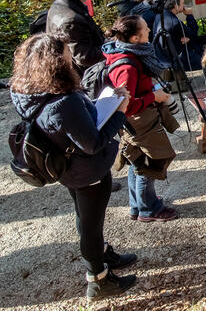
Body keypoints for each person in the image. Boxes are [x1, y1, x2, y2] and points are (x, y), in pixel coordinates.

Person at [10, 33, 137, 299]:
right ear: (55, 62)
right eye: (67, 55)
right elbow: (93, 143)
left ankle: (102, 256)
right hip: (85, 169)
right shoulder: (63, 103)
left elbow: (68, 122)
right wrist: (120, 110)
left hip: (65, 165)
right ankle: (98, 279)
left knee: (84, 215)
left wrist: (103, 101)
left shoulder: (27, 90)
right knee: (91, 224)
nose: (72, 58)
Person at [103, 16, 180, 223]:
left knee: (136, 160)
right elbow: (125, 105)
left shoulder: (132, 54)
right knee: (147, 162)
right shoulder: (127, 66)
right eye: (146, 28)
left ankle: (138, 204)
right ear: (136, 38)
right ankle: (149, 209)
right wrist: (153, 97)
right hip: (139, 121)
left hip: (139, 120)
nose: (150, 30)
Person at [46, 0, 106, 76]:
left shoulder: (59, 6)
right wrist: (111, 47)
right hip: (83, 79)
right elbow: (84, 58)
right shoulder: (71, 19)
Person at [153, 0, 205, 71]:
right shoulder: (174, 23)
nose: (184, 6)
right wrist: (189, 15)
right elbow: (193, 33)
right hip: (177, 59)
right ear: (175, 5)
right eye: (182, 3)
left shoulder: (160, 15)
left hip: (162, 55)